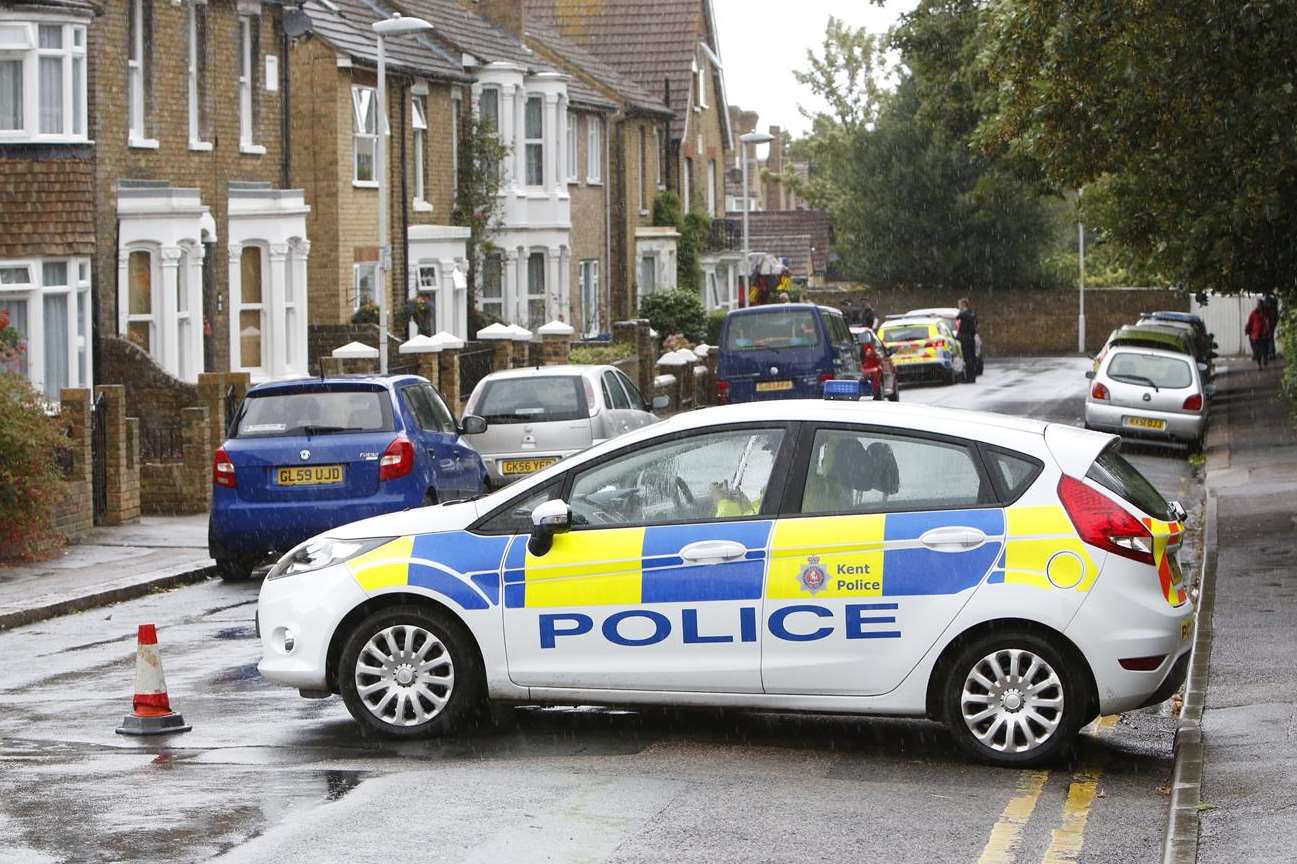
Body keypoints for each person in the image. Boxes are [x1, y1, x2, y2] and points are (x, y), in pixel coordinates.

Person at [956, 298, 978, 383]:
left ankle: (969, 378)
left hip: (965, 338)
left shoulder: (964, 313)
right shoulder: (972, 313)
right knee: (971, 358)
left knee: (967, 358)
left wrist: (961, 311)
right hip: (971, 338)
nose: (959, 307)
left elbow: (958, 316)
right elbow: (976, 323)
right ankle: (972, 377)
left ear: (963, 305)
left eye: (960, 305)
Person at [1245, 299, 1271, 370]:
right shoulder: (1253, 313)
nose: (1260, 306)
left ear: (1263, 305)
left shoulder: (1266, 313)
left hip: (1264, 335)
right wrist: (1247, 330)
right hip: (1256, 335)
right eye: (1258, 305)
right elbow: (1249, 323)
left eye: (1261, 305)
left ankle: (1265, 359)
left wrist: (1268, 332)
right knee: (1258, 351)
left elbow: (1269, 323)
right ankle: (1259, 365)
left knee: (1265, 349)